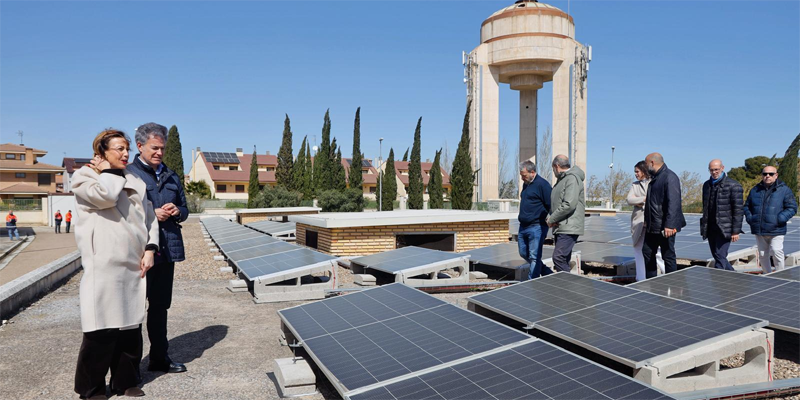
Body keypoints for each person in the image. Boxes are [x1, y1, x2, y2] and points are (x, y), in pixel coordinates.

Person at [73, 129, 159, 399]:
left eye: (126, 149)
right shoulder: (84, 176)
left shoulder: (136, 180)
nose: (125, 154)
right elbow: (106, 198)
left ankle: (125, 381)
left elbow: (150, 219)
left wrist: (151, 248)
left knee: (130, 325)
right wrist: (109, 172)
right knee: (101, 327)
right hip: (104, 263)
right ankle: (91, 388)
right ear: (101, 153)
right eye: (118, 149)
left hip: (134, 262)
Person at [126, 122, 189, 374]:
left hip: (167, 252)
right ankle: (130, 368)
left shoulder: (172, 175)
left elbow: (185, 210)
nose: (159, 153)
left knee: (160, 307)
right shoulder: (128, 174)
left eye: (162, 148)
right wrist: (152, 212)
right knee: (134, 310)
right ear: (140, 146)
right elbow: (124, 212)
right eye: (154, 148)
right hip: (140, 252)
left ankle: (159, 358)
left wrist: (177, 212)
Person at [744, 165, 797, 273]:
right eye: (765, 174)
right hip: (760, 229)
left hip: (776, 228)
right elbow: (746, 206)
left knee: (777, 251)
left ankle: (780, 275)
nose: (767, 176)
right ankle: (767, 275)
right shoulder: (755, 190)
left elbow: (792, 207)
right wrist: (751, 218)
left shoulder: (784, 190)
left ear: (776, 175)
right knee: (763, 254)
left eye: (771, 174)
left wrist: (780, 219)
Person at [642, 153, 686, 278]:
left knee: (668, 255)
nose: (645, 166)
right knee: (647, 252)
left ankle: (671, 282)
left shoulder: (669, 177)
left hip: (665, 226)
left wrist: (670, 225)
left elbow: (674, 202)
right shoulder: (655, 178)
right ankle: (651, 281)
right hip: (653, 225)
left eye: (646, 163)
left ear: (652, 163)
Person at [701, 159, 744, 271]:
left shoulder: (734, 186)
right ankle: (736, 278)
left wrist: (736, 231)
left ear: (722, 168)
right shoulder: (706, 185)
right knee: (718, 256)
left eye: (716, 169)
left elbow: (738, 210)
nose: (714, 172)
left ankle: (718, 284)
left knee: (720, 257)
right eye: (711, 170)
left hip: (725, 228)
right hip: (710, 228)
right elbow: (705, 207)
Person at [546, 154, 585, 273]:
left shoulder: (572, 179)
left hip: (569, 226)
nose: (553, 172)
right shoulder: (562, 180)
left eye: (553, 169)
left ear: (557, 166)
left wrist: (552, 218)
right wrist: (550, 216)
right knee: (564, 259)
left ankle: (568, 286)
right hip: (561, 226)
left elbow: (569, 204)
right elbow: (556, 203)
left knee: (558, 257)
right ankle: (565, 288)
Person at [626, 161, 664, 281]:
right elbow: (629, 199)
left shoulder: (654, 182)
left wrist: (640, 202)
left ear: (644, 171)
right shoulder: (635, 185)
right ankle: (641, 279)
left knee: (657, 251)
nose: (636, 174)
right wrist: (644, 199)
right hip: (639, 223)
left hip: (653, 222)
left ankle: (666, 275)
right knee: (638, 249)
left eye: (637, 171)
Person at [517, 160, 552, 279]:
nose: (522, 178)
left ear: (532, 172)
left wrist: (551, 220)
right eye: (521, 175)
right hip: (523, 226)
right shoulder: (526, 184)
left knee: (534, 256)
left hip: (537, 226)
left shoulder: (543, 185)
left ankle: (532, 281)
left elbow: (551, 204)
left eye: (524, 175)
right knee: (523, 253)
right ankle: (547, 272)